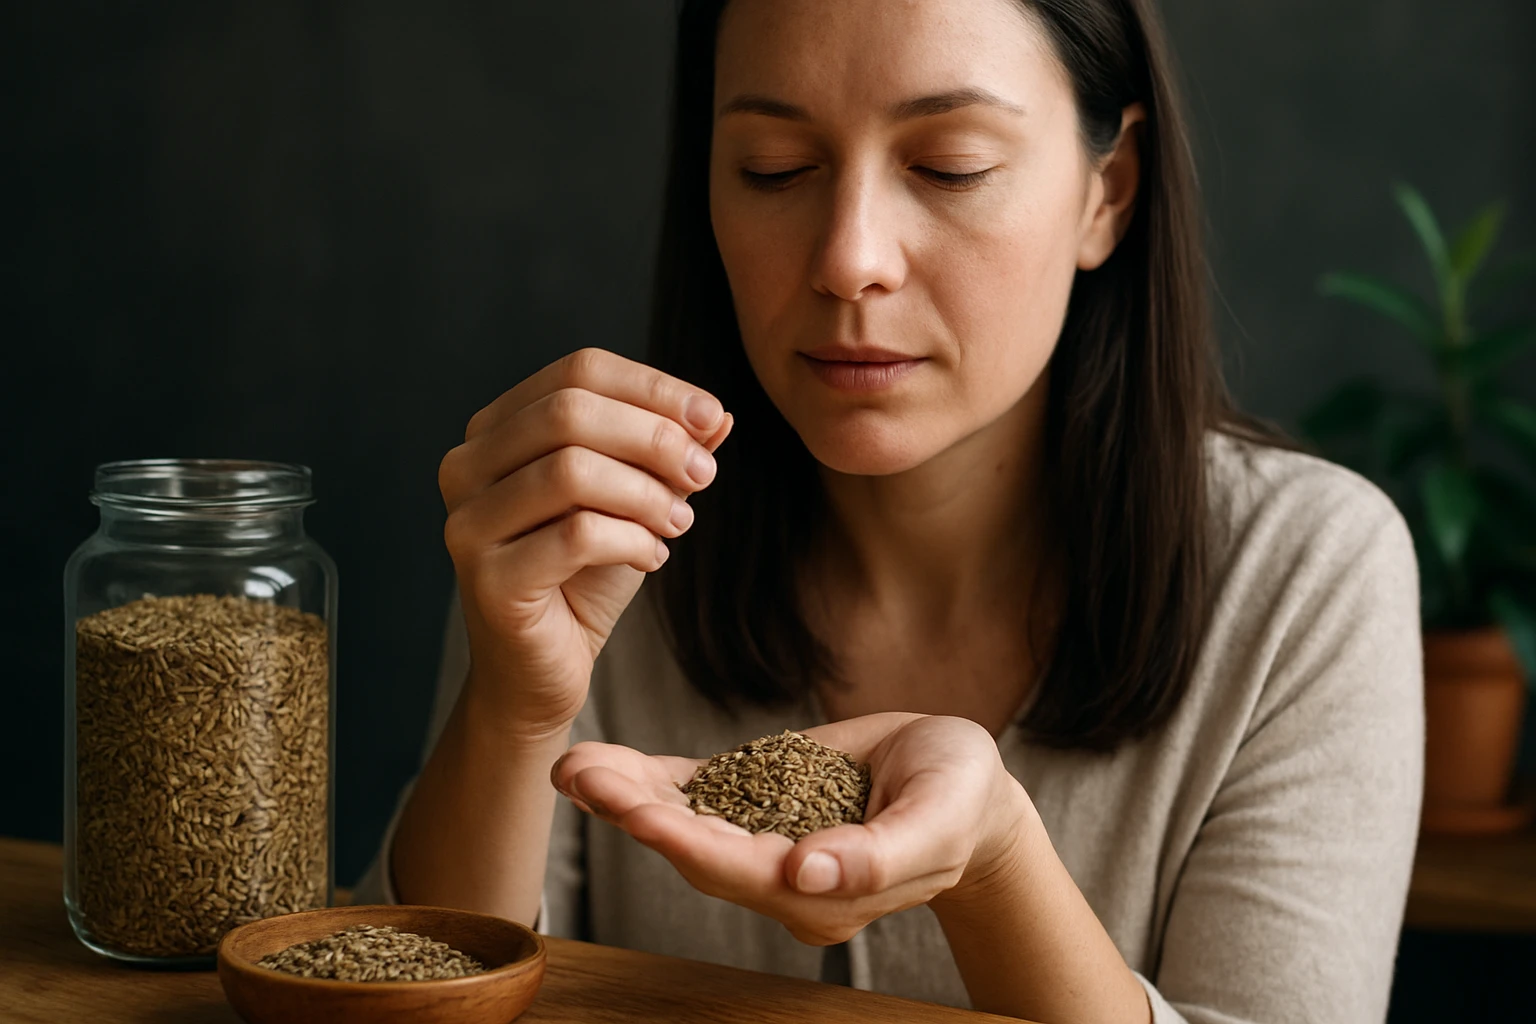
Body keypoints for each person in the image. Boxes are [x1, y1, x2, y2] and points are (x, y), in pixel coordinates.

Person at [354, 1, 1423, 1021]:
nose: (847, 259)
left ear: (1109, 192)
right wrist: (515, 710)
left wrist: (995, 860)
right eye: (775, 170)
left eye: (948, 166)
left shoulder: (1305, 572)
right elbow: (394, 993)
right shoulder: (606, 533)